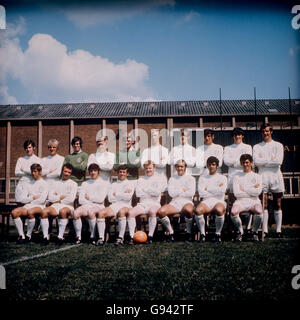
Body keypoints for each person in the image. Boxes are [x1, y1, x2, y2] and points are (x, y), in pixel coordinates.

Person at [253, 123, 284, 237]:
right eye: (263, 131)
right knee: (263, 204)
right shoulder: (257, 147)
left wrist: (263, 162)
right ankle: (264, 230)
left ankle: (278, 231)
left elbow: (278, 162)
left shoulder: (278, 145)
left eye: (267, 131)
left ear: (271, 132)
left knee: (278, 203)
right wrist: (270, 160)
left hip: (276, 177)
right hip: (262, 177)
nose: (265, 133)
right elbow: (256, 162)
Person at [127, 160, 168, 244]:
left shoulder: (159, 179)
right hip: (142, 204)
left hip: (154, 204)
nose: (148, 170)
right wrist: (151, 192)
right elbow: (138, 194)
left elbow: (157, 193)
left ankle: (150, 236)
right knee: (131, 212)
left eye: (150, 168)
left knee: (152, 211)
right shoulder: (141, 180)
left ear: (154, 168)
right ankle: (132, 237)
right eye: (146, 168)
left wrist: (145, 190)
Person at [157, 159, 196, 242]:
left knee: (188, 210)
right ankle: (171, 232)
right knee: (161, 212)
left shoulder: (191, 178)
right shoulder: (172, 178)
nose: (180, 168)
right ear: (175, 167)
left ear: (185, 167)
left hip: (187, 201)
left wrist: (178, 191)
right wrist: (183, 190)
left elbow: (191, 192)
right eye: (178, 166)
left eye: (182, 166)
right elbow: (171, 193)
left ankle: (188, 233)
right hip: (175, 202)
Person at [97, 165, 136, 246]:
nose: (122, 174)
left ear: (127, 173)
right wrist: (122, 194)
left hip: (126, 205)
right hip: (114, 205)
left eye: (124, 172)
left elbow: (128, 198)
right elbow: (110, 199)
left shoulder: (130, 184)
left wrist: (116, 194)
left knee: (121, 212)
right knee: (101, 213)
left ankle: (120, 237)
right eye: (120, 172)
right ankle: (101, 238)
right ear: (117, 173)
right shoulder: (113, 184)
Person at [40, 163, 77, 245]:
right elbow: (50, 197)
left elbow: (71, 199)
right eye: (65, 171)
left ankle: (60, 237)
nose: (67, 174)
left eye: (69, 172)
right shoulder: (54, 183)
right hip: (55, 205)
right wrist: (62, 197)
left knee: (63, 211)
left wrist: (57, 198)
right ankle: (45, 237)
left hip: (68, 207)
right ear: (62, 171)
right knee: (44, 211)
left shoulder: (74, 184)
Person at [223, 127, 252, 231]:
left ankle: (248, 227)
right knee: (233, 202)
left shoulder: (248, 147)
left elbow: (247, 160)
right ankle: (235, 227)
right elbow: (226, 161)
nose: (237, 136)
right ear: (233, 136)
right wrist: (239, 162)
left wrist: (234, 163)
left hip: (245, 176)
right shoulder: (227, 148)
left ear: (242, 136)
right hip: (232, 177)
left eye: (239, 134)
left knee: (247, 200)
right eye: (235, 135)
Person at [72, 163, 109, 244]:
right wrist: (91, 200)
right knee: (75, 213)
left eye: (95, 171)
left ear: (98, 172)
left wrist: (89, 197)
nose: (93, 173)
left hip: (99, 206)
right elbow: (81, 200)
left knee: (91, 212)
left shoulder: (103, 183)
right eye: (91, 171)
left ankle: (93, 236)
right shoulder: (85, 183)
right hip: (86, 205)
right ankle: (78, 237)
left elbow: (100, 199)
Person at [11, 163, 48, 244]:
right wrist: (32, 198)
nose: (33, 173)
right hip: (28, 205)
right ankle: (22, 236)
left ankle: (28, 235)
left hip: (40, 206)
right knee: (14, 212)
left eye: (35, 171)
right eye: (32, 171)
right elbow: (22, 199)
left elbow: (42, 200)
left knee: (30, 212)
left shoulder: (44, 183)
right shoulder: (28, 183)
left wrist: (29, 200)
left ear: (40, 171)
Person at [230, 154, 263, 242]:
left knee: (259, 211)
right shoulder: (236, 177)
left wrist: (244, 189)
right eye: (243, 162)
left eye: (247, 162)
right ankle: (241, 232)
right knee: (233, 212)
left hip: (254, 201)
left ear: (251, 163)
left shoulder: (257, 177)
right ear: (241, 163)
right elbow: (237, 193)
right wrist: (252, 188)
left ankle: (254, 232)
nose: (245, 164)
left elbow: (257, 192)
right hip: (240, 201)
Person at [195, 156, 227, 243]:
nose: (211, 166)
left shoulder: (222, 178)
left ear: (217, 166)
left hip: (219, 200)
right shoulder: (203, 178)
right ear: (207, 166)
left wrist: (208, 189)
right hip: (206, 201)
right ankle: (202, 234)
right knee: (198, 210)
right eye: (209, 164)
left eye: (213, 164)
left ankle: (217, 234)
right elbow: (201, 193)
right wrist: (216, 188)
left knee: (219, 210)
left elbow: (222, 191)